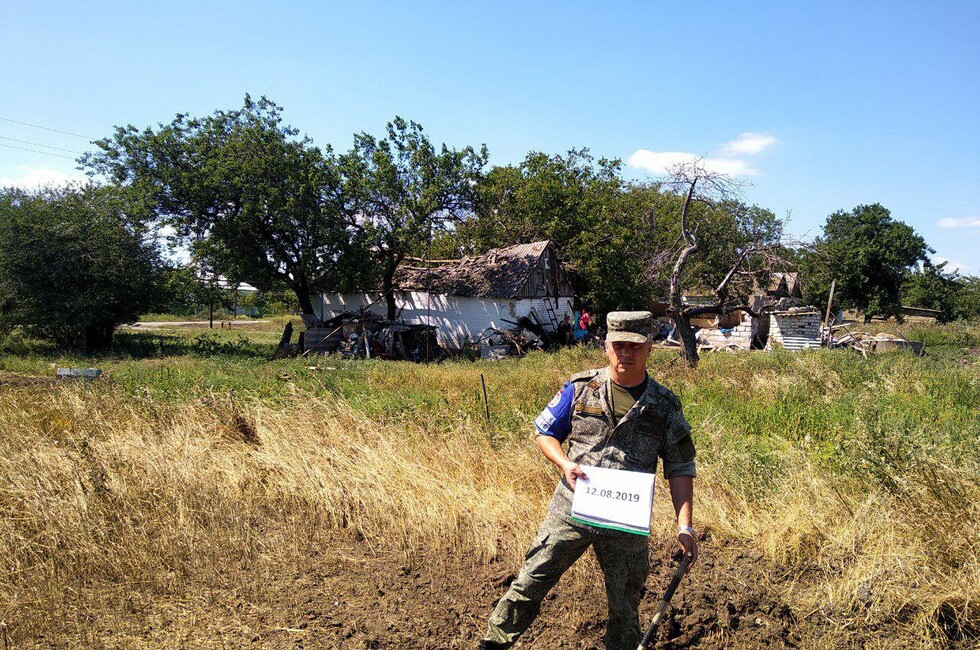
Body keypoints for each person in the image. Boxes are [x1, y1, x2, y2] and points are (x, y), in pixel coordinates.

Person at [479, 311, 698, 650]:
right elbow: (545, 433)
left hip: (626, 522)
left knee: (625, 608)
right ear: (607, 346)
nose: (626, 353)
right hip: (571, 507)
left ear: (649, 348)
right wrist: (564, 463)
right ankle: (492, 644)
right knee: (530, 581)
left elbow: (680, 467)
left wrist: (685, 526)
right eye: (619, 345)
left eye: (635, 346)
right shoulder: (581, 389)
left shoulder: (665, 405)